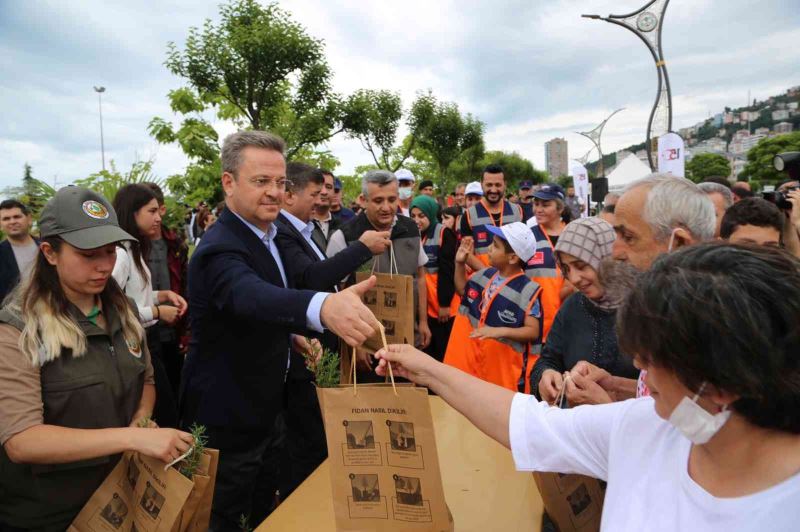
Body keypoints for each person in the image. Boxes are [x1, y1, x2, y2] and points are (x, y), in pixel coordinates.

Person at [375, 243, 800, 532]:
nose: (637, 368)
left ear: (722, 381)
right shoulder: (644, 427)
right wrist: (426, 370)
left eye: (652, 357)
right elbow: (526, 424)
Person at [180, 131, 379, 531]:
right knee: (225, 518)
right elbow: (249, 295)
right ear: (228, 182)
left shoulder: (268, 235)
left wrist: (292, 335)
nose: (274, 193)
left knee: (262, 512)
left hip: (267, 411)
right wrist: (321, 306)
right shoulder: (219, 247)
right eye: (261, 182)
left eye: (280, 182)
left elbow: (259, 310)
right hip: (227, 422)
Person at [0, 186, 193, 531]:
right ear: (50, 252)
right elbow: (23, 440)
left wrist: (142, 417)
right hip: (54, 513)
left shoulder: (123, 310)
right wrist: (132, 438)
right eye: (89, 254)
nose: (105, 265)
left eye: (110, 251)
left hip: (121, 498)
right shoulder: (19, 327)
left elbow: (145, 380)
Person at [604, 173, 715, 398]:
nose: (615, 253)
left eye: (628, 237)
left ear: (680, 244)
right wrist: (614, 384)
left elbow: (692, 424)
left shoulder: (713, 331)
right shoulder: (667, 313)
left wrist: (609, 411)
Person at [327, 170, 432, 368]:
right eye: (378, 200)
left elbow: (420, 277)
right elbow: (336, 294)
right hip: (363, 341)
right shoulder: (344, 236)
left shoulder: (410, 228)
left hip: (406, 335)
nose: (386, 207)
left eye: (392, 199)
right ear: (363, 200)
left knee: (405, 394)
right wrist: (356, 343)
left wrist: (423, 323)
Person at [531, 218, 639, 405]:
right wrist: (545, 377)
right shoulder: (572, 307)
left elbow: (669, 394)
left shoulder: (645, 309)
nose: (574, 278)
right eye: (566, 269)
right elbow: (548, 358)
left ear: (607, 257)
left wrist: (611, 397)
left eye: (581, 265)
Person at [112, 184, 187, 429]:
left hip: (147, 340)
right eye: (151, 211)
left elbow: (132, 295)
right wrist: (155, 312)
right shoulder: (120, 254)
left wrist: (161, 295)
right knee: (163, 413)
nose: (158, 217)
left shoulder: (134, 248)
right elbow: (112, 307)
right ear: (133, 213)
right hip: (134, 342)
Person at [444, 222, 542, 393]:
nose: (488, 248)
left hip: (499, 377)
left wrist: (498, 331)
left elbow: (532, 331)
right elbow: (463, 291)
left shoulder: (528, 291)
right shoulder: (484, 274)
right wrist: (459, 264)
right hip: (470, 365)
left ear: (512, 258)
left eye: (495, 245)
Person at [143, 183, 190, 400]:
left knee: (175, 387)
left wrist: (186, 331)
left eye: (156, 210)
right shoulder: (126, 250)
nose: (156, 217)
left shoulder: (175, 244)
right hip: (143, 334)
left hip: (173, 328)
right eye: (148, 211)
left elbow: (186, 286)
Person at [410, 195, 457, 362]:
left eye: (421, 216)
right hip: (425, 305)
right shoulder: (414, 236)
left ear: (430, 214)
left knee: (443, 353)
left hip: (443, 306)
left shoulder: (444, 233)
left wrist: (444, 304)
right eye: (413, 216)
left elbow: (448, 272)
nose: (417, 220)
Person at [524, 183, 568, 341]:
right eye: (536, 204)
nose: (538, 209)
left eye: (545, 204)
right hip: (537, 325)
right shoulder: (527, 237)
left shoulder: (573, 234)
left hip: (569, 323)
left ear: (560, 208)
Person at [460, 164, 524, 269]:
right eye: (489, 185)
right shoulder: (469, 215)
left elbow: (523, 247)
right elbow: (467, 252)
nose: (493, 190)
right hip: (482, 280)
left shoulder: (518, 212)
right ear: (482, 184)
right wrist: (488, 275)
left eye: (498, 185)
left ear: (505, 185)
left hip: (512, 279)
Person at [0, 199, 38, 302]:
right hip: (12, 315)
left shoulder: (47, 246)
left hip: (53, 309)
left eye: (17, 217)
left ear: (29, 219)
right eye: (6, 219)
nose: (12, 221)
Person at [310, 169, 341, 250]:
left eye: (328, 187)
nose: (324, 192)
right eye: (319, 186)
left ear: (334, 191)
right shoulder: (302, 225)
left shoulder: (342, 226)